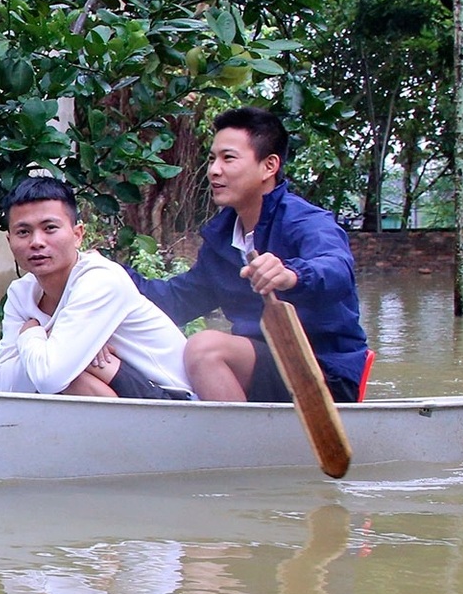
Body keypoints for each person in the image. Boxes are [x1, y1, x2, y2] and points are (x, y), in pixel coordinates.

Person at [126, 107, 369, 402]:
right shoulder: (222, 240)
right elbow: (175, 301)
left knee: (205, 349)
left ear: (269, 166)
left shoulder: (305, 221)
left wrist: (291, 274)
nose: (214, 170)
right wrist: (104, 275)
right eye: (212, 158)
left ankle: (239, 446)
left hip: (323, 371)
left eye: (228, 158)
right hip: (261, 364)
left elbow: (337, 268)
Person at [0, 176, 193, 398]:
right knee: (66, 372)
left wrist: (31, 333)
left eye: (49, 228)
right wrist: (58, 350)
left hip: (173, 400)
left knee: (70, 379)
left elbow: (50, 377)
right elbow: (3, 388)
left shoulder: (100, 280)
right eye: (23, 232)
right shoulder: (20, 293)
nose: (36, 241)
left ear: (77, 235)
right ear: (9, 241)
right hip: (121, 401)